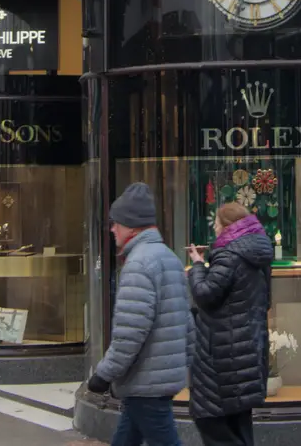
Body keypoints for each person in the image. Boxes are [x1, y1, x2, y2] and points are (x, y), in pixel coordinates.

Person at [85, 182, 189, 446]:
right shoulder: (169, 258)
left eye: (115, 223)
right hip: (157, 378)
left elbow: (129, 334)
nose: (112, 229)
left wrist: (103, 374)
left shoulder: (140, 264)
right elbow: (188, 322)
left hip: (147, 381)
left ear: (131, 226)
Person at [186, 203, 273, 446]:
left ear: (227, 226)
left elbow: (204, 294)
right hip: (249, 347)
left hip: (223, 353)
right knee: (239, 421)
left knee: (212, 422)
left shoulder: (228, 255)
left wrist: (197, 266)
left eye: (216, 225)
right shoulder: (258, 253)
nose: (214, 230)